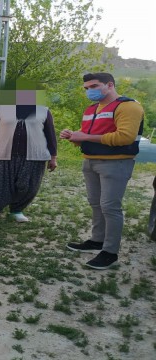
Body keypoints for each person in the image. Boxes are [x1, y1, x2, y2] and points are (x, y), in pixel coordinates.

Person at [61, 72, 144, 270]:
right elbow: (89, 136)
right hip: (90, 162)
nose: (90, 91)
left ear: (109, 85)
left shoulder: (129, 106)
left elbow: (124, 137)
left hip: (115, 164)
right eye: (87, 88)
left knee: (110, 207)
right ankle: (97, 240)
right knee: (96, 204)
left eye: (94, 86)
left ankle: (110, 252)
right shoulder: (91, 109)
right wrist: (74, 137)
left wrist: (85, 137)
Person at [0, 81, 57, 223]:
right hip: (2, 154)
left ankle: (16, 211)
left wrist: (53, 157)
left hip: (33, 157)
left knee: (27, 186)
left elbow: (50, 135)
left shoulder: (44, 111)